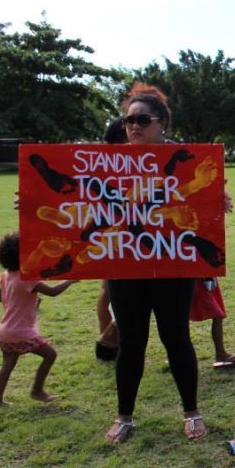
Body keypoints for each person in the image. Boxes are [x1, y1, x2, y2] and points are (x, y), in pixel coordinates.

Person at [103, 82, 206, 443]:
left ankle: (192, 411)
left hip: (172, 265)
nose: (133, 125)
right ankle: (125, 417)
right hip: (125, 266)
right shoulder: (107, 164)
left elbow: (201, 202)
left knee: (176, 337)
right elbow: (77, 201)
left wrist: (218, 203)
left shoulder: (186, 160)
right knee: (131, 342)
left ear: (161, 123)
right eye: (128, 119)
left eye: (141, 119)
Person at [0, 232, 74, 406]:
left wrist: (23, 301)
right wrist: (70, 280)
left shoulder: (5, 275)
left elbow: (0, 297)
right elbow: (53, 292)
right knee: (50, 355)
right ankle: (37, 390)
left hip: (4, 330)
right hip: (20, 332)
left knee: (8, 364)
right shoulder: (28, 278)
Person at [95, 118, 127, 361]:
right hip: (113, 236)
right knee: (108, 291)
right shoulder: (105, 164)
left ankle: (111, 339)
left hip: (133, 236)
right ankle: (111, 339)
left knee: (110, 292)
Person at [190, 277, 235, 368]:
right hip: (195, 275)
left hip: (205, 275)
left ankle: (220, 353)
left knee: (218, 314)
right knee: (217, 313)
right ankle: (220, 353)